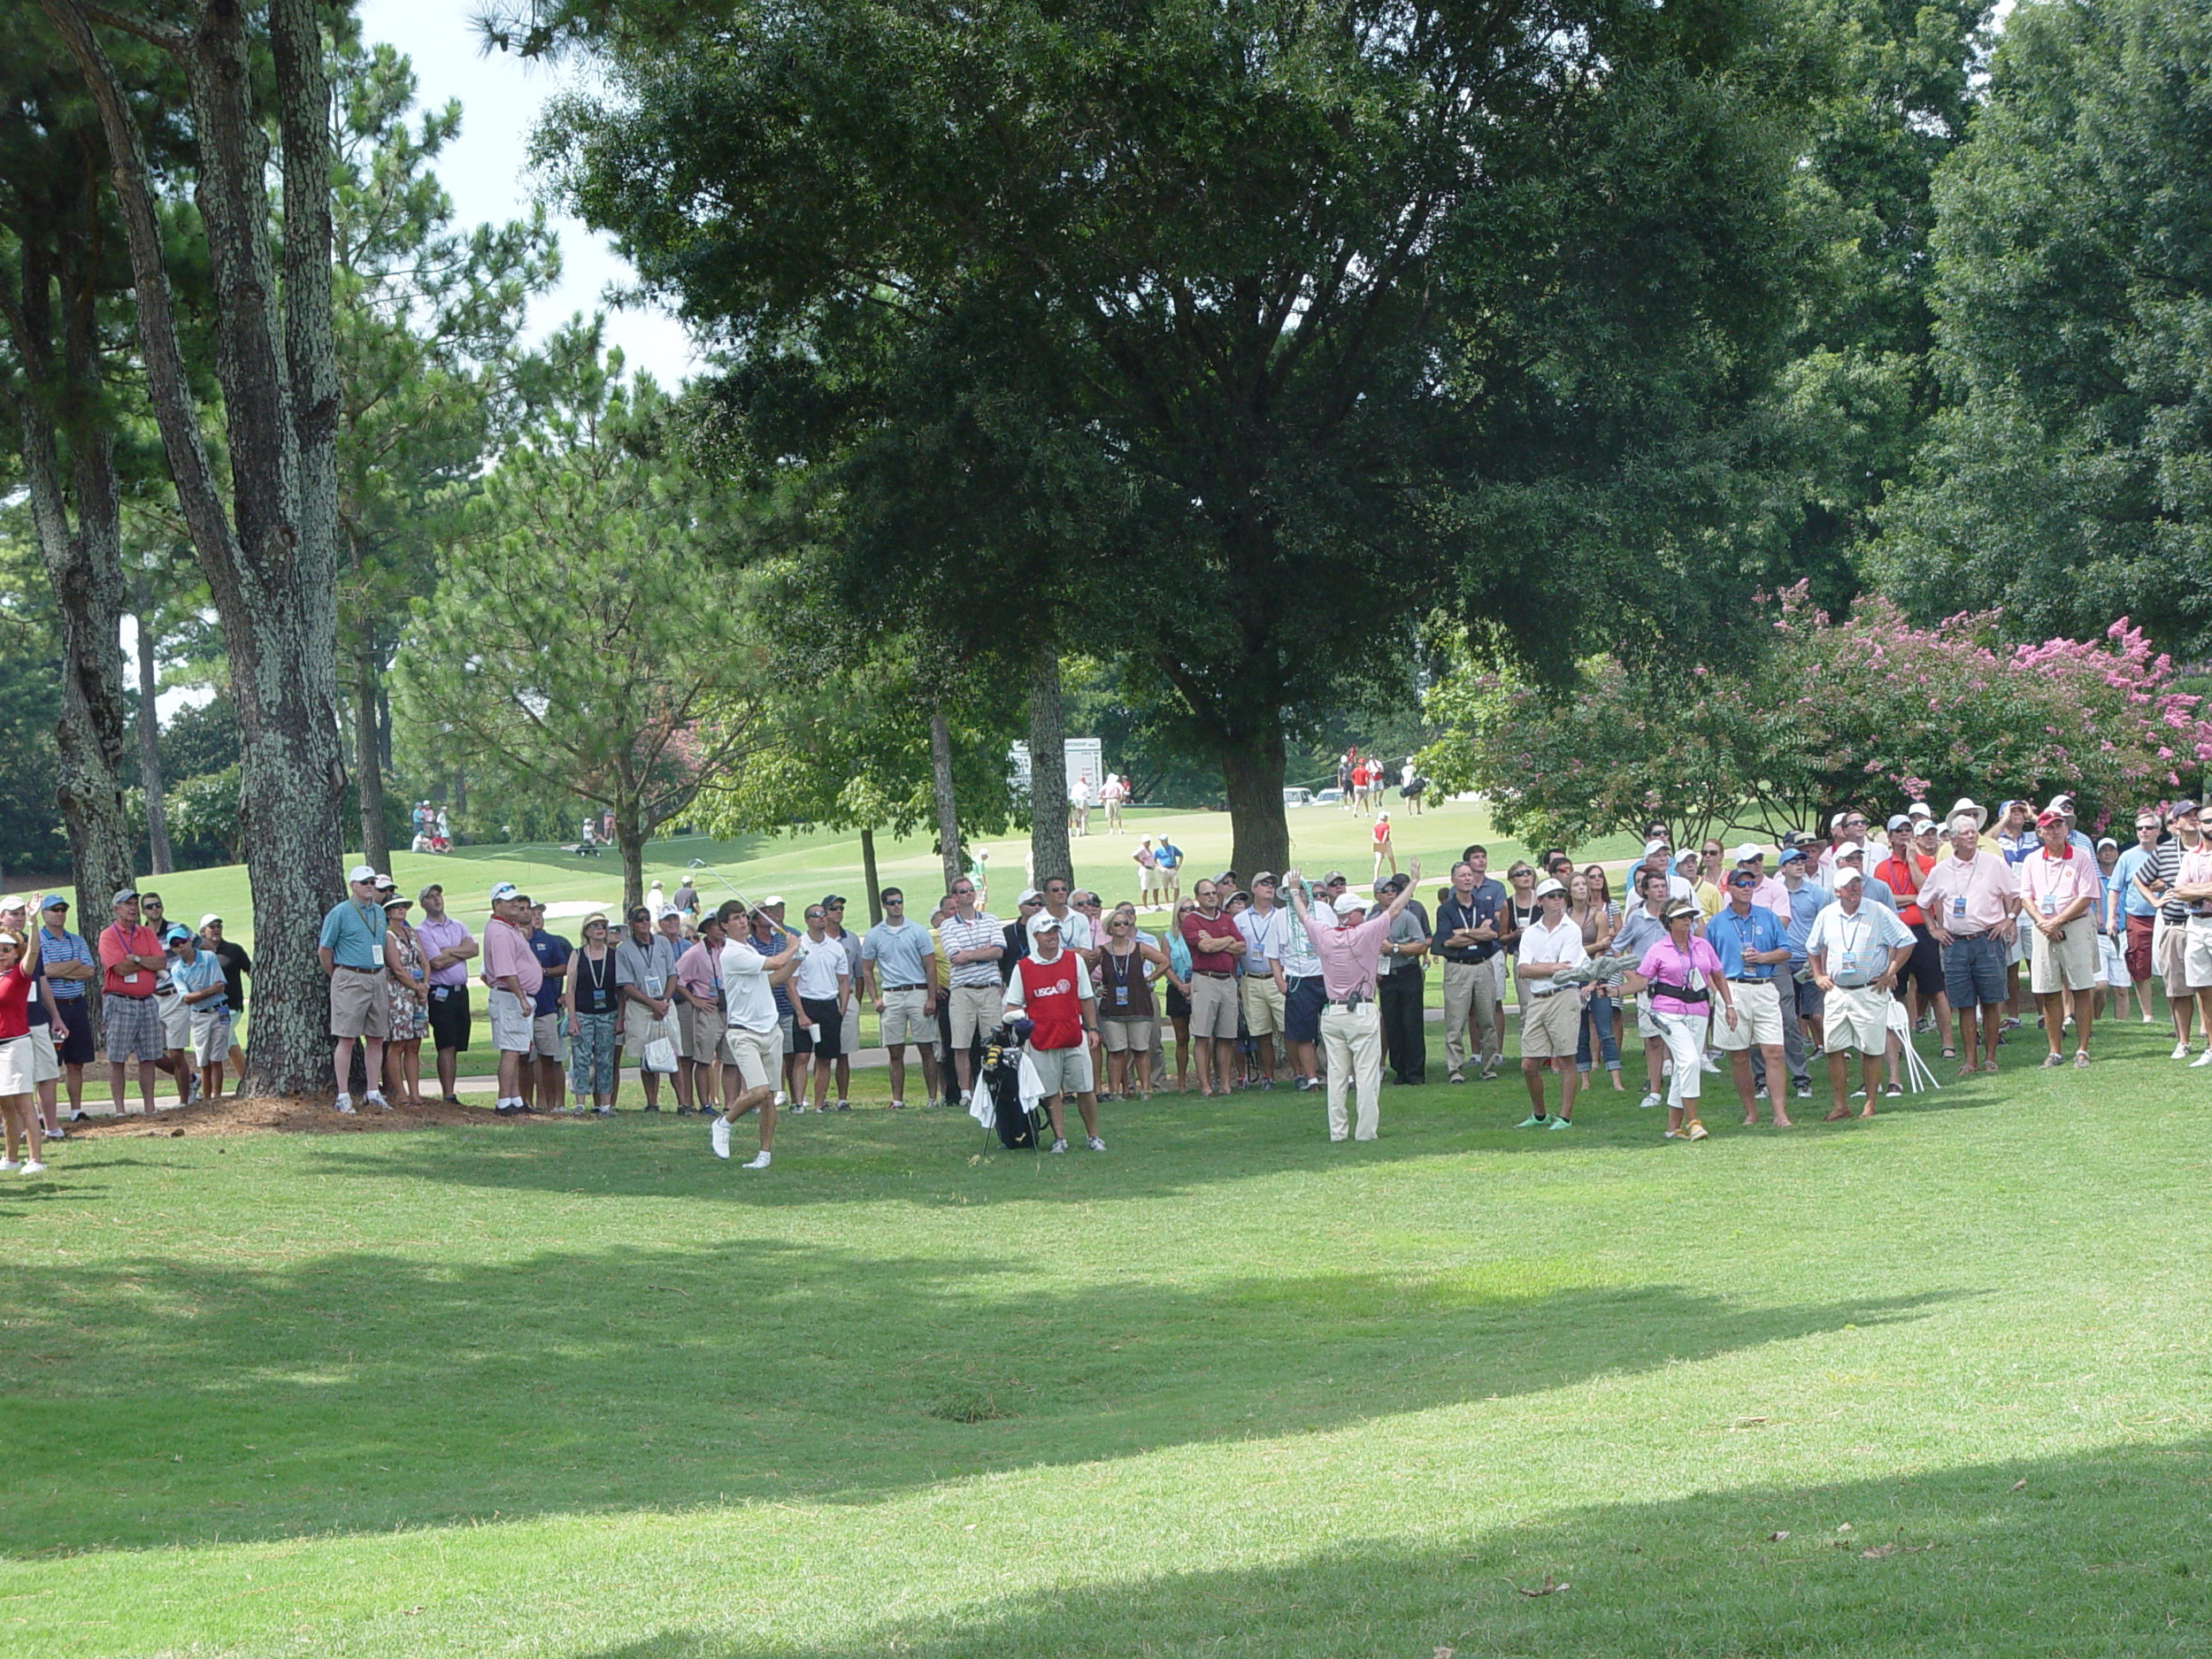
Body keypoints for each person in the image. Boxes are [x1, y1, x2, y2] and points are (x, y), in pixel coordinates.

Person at [1282, 859, 1422, 1142]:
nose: (1363, 913)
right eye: (1359, 910)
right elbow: (1394, 910)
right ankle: (1365, 1133)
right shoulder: (1367, 933)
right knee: (1366, 1075)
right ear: (1350, 915)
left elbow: (1303, 916)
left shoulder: (1324, 934)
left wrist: (1296, 893)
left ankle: (1338, 1133)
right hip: (1361, 1011)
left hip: (1333, 1014)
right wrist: (1414, 883)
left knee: (1336, 1076)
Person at [1918, 810, 2022, 1077]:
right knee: (1964, 1005)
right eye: (1964, 833)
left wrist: (2009, 920)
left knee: (1991, 1000)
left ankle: (1990, 1057)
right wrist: (1934, 928)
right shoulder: (1941, 870)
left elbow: (2017, 895)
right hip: (1955, 944)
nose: (1971, 837)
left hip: (1988, 939)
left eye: (1973, 832)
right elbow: (1923, 903)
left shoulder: (1993, 863)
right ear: (1952, 840)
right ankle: (1970, 1060)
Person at [1806, 868, 1916, 1118]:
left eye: (1858, 883)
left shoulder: (1877, 911)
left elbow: (1906, 940)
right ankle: (1840, 1106)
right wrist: (1818, 975)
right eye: (1849, 885)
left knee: (1871, 1049)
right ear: (1837, 891)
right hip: (1838, 991)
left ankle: (1870, 1104)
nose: (1855, 889)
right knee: (1833, 1048)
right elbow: (1813, 947)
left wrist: (1890, 971)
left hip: (1869, 990)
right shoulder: (1827, 915)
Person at [1623, 899, 1732, 1142]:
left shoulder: (1703, 946)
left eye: (1690, 916)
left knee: (1685, 1067)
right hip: (1667, 1011)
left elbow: (1718, 975)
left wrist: (1729, 1005)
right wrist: (1615, 991)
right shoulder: (1658, 949)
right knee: (1691, 1061)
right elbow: (1642, 981)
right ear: (1668, 922)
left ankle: (1673, 1127)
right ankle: (1693, 1121)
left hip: (1699, 1009)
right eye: (1682, 917)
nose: (1687, 921)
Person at [1002, 911, 1105, 1152]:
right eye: (1047, 932)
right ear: (1035, 936)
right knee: (1051, 1092)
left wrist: (1091, 1028)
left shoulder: (1073, 960)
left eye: (1055, 932)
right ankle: (1060, 1138)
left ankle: (1093, 1135)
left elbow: (1086, 997)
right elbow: (1012, 1006)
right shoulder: (1024, 967)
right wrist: (1021, 1022)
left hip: (1073, 1034)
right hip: (1042, 1039)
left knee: (1085, 1088)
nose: (1052, 937)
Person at [711, 901, 803, 1169]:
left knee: (769, 1097)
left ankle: (764, 1155)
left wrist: (797, 959)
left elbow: (773, 979)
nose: (742, 922)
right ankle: (723, 1123)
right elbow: (775, 962)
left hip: (769, 1029)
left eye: (743, 917)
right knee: (759, 1089)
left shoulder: (748, 949)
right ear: (725, 926)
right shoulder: (731, 953)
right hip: (744, 1033)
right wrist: (792, 948)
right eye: (736, 919)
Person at [1707, 869, 1793, 1128]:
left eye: (1750, 883)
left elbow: (1786, 950)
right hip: (1733, 988)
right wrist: (1719, 995)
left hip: (1764, 985)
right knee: (1739, 1055)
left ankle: (1780, 1113)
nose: (1747, 887)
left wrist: (1764, 957)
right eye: (1741, 883)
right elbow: (1708, 963)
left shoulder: (1767, 917)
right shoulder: (1717, 923)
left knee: (1774, 1051)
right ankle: (1751, 1112)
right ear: (1729, 889)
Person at [2019, 807, 2102, 1067]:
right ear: (2040, 832)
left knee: (2081, 988)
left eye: (2059, 825)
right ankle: (2055, 1051)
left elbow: (2087, 895)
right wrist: (2045, 923)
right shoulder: (2032, 860)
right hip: (2043, 927)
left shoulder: (2081, 856)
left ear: (2066, 829)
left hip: (2075, 925)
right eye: (2050, 827)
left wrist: (2057, 921)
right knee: (2048, 990)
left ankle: (2082, 1049)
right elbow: (2025, 897)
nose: (2055, 831)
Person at [1876, 815, 1955, 1059]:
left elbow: (1927, 890)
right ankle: (1899, 1045)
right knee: (1896, 990)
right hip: (1894, 935)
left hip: (1922, 931)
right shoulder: (1882, 868)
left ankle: (1948, 1043)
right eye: (1897, 831)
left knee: (1935, 989)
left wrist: (1912, 862)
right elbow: (1885, 899)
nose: (1903, 834)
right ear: (1889, 837)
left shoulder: (1926, 862)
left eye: (1907, 829)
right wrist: (1915, 898)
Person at [1511, 877, 1587, 1128]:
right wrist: (1549, 967)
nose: (1558, 901)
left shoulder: (1572, 930)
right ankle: (1540, 1114)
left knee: (1566, 1058)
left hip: (1564, 996)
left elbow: (1565, 971)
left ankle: (1564, 1117)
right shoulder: (1531, 932)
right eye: (1552, 896)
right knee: (1528, 1063)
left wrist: (1539, 967)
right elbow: (1523, 970)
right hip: (1538, 999)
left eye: (1560, 896)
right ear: (1541, 902)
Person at [318, 865, 392, 1115]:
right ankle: (343, 1095)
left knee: (376, 1036)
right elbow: (324, 950)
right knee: (347, 1037)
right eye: (364, 882)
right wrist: (337, 976)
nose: (369, 885)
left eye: (372, 881)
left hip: (377, 976)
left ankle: (373, 1091)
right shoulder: (340, 913)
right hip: (350, 976)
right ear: (353, 886)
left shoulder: (380, 913)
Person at [862, 886, 941, 1110]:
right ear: (885, 905)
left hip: (917, 991)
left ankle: (932, 1098)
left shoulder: (917, 931)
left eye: (900, 901)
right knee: (895, 1050)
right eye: (892, 902)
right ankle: (897, 1098)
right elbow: (867, 968)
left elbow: (930, 965)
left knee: (926, 1047)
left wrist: (931, 998)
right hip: (892, 994)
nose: (897, 906)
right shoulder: (875, 934)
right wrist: (875, 998)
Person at [1434, 856, 1505, 1084]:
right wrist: (1476, 932)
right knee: (1455, 1022)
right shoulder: (1446, 909)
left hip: (1483, 965)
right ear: (1453, 880)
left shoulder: (1484, 905)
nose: (1467, 879)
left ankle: (1488, 1067)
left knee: (1487, 1020)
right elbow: (1447, 942)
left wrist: (1463, 932)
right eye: (1462, 875)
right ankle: (1455, 1069)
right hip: (1458, 968)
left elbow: (1492, 935)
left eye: (1469, 875)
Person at [937, 876, 1005, 1098]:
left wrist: (971, 954)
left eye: (971, 890)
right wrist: (983, 951)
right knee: (961, 1044)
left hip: (989, 988)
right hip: (962, 990)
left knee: (993, 1042)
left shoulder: (991, 919)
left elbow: (998, 951)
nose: (969, 893)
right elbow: (955, 956)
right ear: (955, 897)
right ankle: (966, 1092)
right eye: (963, 891)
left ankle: (992, 1087)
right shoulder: (947, 925)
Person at [2147, 800, 2205, 1056]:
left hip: (2205, 923)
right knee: (2178, 988)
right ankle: (2183, 1041)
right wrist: (2156, 902)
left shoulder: (2208, 847)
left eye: (2197, 814)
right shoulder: (2165, 851)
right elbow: (2140, 880)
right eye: (2188, 815)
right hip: (2175, 925)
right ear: (2175, 823)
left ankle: (2208, 1035)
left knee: (2206, 985)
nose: (2194, 819)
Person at [1177, 878, 1245, 1097]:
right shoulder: (1191, 921)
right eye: (1206, 894)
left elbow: (1242, 947)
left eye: (1214, 893)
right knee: (1202, 1035)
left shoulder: (1225, 919)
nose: (1212, 896)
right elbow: (1204, 947)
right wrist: (1227, 942)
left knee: (1227, 1036)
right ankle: (1206, 1086)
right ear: (1197, 898)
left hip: (1228, 980)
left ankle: (1225, 1084)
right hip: (1205, 980)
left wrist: (1219, 940)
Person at [481, 883, 544, 1115]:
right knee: (510, 1049)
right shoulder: (498, 932)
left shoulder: (508, 928)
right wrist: (521, 998)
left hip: (515, 997)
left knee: (516, 1049)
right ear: (497, 905)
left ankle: (515, 1098)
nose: (514, 904)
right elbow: (506, 971)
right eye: (508, 901)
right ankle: (503, 1100)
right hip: (510, 997)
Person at [413, 884, 478, 1106]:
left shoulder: (458, 925)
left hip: (461, 992)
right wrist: (460, 952)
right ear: (423, 904)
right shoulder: (422, 931)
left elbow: (474, 949)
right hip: (441, 994)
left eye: (438, 895)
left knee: (458, 1043)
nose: (436, 900)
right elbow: (436, 962)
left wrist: (449, 951)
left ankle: (451, 1090)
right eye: (430, 897)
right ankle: (448, 1095)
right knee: (446, 1043)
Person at [614, 903, 680, 1111]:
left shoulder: (662, 943)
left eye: (646, 918)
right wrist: (652, 1004)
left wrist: (664, 1002)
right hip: (641, 1005)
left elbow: (672, 974)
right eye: (639, 919)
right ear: (632, 924)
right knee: (647, 1055)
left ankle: (684, 1102)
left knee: (674, 1052)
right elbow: (625, 985)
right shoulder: (624, 950)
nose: (643, 922)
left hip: (665, 1003)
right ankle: (652, 1102)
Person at [1096, 909, 1166, 1099]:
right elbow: (1084, 970)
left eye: (1125, 923)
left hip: (1138, 1005)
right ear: (1110, 927)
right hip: (1112, 1009)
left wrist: (1150, 978)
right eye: (1117, 924)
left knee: (1140, 1049)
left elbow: (1164, 961)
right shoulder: (1102, 952)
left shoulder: (1140, 948)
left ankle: (1146, 1088)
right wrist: (1095, 988)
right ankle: (1114, 1090)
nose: (1121, 927)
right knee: (1116, 1051)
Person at [38, 896, 95, 1125]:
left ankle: (76, 1110)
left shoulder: (77, 940)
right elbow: (46, 971)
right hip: (54, 1009)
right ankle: (45, 1114)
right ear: (44, 913)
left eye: (63, 910)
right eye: (54, 910)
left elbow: (89, 971)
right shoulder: (39, 941)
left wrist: (62, 969)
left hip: (76, 1005)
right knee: (50, 1063)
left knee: (76, 1061)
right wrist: (73, 964)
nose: (59, 914)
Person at [792, 903, 852, 1112]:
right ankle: (799, 1103)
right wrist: (800, 1013)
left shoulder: (835, 947)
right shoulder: (799, 945)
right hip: (806, 1003)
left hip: (829, 1005)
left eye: (823, 915)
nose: (821, 918)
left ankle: (819, 1104)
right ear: (807, 920)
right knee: (801, 1056)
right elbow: (791, 983)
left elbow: (844, 981)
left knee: (825, 1058)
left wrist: (842, 1008)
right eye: (816, 915)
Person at [1234, 874, 1289, 1089]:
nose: (1270, 888)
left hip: (1278, 978)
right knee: (1261, 1032)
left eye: (1272, 884)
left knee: (1289, 1029)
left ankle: (1301, 1073)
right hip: (1252, 980)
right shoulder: (1240, 919)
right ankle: (1268, 1077)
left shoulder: (1283, 916)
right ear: (1254, 888)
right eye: (1264, 884)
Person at [1570, 869, 1623, 1090]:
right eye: (1577, 885)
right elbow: (1572, 953)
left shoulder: (1599, 915)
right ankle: (1584, 1080)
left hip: (1598, 977)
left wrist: (1593, 980)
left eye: (1584, 884)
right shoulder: (1565, 918)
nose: (1582, 888)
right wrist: (1595, 946)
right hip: (1574, 979)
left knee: (1605, 1030)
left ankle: (1616, 1080)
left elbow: (1602, 951)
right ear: (1570, 890)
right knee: (1580, 1032)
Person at [0, 931, 47, 1173]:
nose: (1, 954)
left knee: (22, 1102)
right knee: (5, 1104)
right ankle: (10, 1158)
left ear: (16, 951)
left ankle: (35, 1160)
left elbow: (34, 953)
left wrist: (32, 921)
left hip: (16, 1044)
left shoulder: (19, 975)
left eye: (6, 949)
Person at [1375, 873, 1429, 1086]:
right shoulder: (1374, 918)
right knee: (1392, 1024)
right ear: (1376, 895)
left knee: (1411, 1023)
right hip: (1386, 977)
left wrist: (1395, 948)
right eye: (1385, 891)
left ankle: (1415, 1073)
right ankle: (1400, 1071)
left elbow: (1421, 945)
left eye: (1394, 890)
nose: (1390, 894)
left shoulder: (1407, 918)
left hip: (1408, 973)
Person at [565, 913, 621, 1114]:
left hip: (608, 1013)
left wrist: (620, 1018)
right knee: (581, 1057)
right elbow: (570, 989)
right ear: (587, 931)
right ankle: (579, 1102)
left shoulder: (614, 955)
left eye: (603, 926)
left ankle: (606, 1104)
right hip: (583, 1013)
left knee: (605, 1058)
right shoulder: (577, 955)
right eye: (595, 925)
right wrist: (572, 1018)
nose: (600, 929)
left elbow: (620, 989)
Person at [2169, 809, 2212, 1067]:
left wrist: (2194, 890)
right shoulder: (2191, 856)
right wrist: (2206, 890)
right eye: (2208, 820)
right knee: (2204, 988)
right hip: (2196, 923)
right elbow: (2179, 891)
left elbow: (2188, 890)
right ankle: (2210, 1048)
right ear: (2199, 824)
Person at [2114, 808, 2165, 1024]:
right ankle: (2148, 1015)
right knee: (2139, 965)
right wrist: (2110, 919)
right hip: (2136, 916)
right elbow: (2114, 888)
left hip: (2165, 915)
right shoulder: (2127, 856)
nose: (2144, 831)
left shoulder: (2167, 854)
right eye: (2140, 828)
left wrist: (2158, 884)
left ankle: (2174, 1012)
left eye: (2149, 827)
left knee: (2170, 964)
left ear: (2158, 831)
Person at [674, 912, 728, 1114]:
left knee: (730, 1059)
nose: (721, 930)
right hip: (709, 1008)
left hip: (729, 1008)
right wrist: (694, 1000)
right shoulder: (695, 953)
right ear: (707, 929)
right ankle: (705, 1103)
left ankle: (730, 1103)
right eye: (716, 926)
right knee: (704, 1058)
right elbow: (677, 979)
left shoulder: (731, 949)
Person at [379, 894, 428, 1108]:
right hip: (398, 994)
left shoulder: (411, 932)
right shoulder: (387, 935)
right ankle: (400, 1092)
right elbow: (397, 968)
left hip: (419, 994)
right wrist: (415, 986)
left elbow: (424, 961)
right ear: (388, 912)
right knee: (398, 1043)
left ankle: (416, 1092)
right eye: (395, 907)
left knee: (414, 1043)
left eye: (403, 906)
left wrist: (424, 984)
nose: (400, 910)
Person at [526, 902, 572, 1110]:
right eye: (533, 913)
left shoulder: (553, 942)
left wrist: (544, 973)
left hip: (549, 1006)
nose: (537, 917)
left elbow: (568, 967)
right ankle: (532, 1102)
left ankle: (557, 1104)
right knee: (527, 1059)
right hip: (524, 1007)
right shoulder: (518, 940)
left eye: (540, 914)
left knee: (553, 1057)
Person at [820, 895, 864, 1110]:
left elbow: (860, 974)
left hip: (848, 996)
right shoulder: (817, 940)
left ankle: (843, 1099)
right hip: (824, 999)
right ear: (824, 912)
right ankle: (822, 1099)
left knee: (844, 1052)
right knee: (824, 1054)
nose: (838, 911)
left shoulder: (851, 939)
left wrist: (855, 999)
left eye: (841, 908)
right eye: (833, 908)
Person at [196, 913, 251, 1084]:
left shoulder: (234, 950)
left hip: (230, 1007)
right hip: (209, 1009)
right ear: (202, 932)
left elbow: (252, 973)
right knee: (230, 1042)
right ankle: (246, 1080)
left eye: (219, 926)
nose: (216, 929)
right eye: (212, 926)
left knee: (220, 1039)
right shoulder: (198, 955)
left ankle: (211, 1087)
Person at [1135, 837, 1164, 910]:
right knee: (1145, 888)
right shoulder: (1141, 849)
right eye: (1147, 842)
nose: (1148, 843)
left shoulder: (1148, 849)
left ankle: (1156, 905)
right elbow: (1134, 855)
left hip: (1151, 869)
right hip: (1145, 870)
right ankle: (1145, 906)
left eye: (1149, 842)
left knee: (1156, 887)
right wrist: (1140, 861)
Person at [1156, 836, 1184, 906]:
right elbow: (1154, 858)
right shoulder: (1158, 850)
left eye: (1163, 840)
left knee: (1176, 886)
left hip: (1172, 868)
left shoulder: (1172, 848)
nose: (1162, 842)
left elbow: (1181, 855)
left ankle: (1175, 902)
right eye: (1161, 841)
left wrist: (1178, 865)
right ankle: (1167, 903)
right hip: (1164, 869)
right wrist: (1158, 866)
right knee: (1165, 887)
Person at [1371, 810, 1395, 881]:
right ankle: (1394, 874)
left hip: (1377, 844)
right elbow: (1385, 835)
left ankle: (1376, 877)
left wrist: (1378, 843)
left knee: (1378, 861)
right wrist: (1383, 843)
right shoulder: (1386, 825)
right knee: (1391, 859)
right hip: (1386, 843)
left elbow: (1373, 836)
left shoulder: (1376, 826)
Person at [1068, 772, 1091, 838]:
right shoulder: (1084, 786)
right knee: (1080, 816)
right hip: (1081, 801)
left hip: (1072, 801)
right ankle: (1080, 831)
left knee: (1071, 817)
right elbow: (1088, 796)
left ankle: (1070, 833)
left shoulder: (1074, 786)